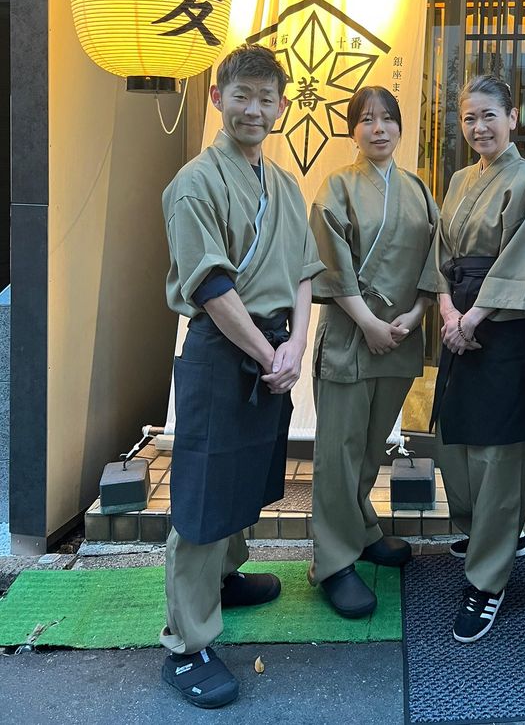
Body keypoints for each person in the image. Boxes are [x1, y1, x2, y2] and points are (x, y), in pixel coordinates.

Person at [160, 44, 324, 709]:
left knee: (246, 474)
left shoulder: (282, 182)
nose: (254, 109)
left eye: (266, 98)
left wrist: (297, 346)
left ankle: (225, 579)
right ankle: (185, 642)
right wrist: (268, 352)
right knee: (203, 490)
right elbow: (210, 286)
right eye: (241, 95)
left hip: (272, 347)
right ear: (217, 98)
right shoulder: (194, 183)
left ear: (281, 106)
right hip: (223, 348)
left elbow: (306, 272)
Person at [420, 73, 525, 643]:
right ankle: (484, 531)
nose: (479, 127)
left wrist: (473, 318)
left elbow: (522, 258)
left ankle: (487, 580)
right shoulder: (457, 180)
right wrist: (448, 311)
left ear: (513, 117)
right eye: (470, 118)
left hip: (501, 326)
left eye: (489, 116)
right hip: (460, 318)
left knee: (496, 453)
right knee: (455, 440)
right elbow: (440, 255)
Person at [308, 85, 438, 617]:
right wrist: (367, 322)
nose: (378, 128)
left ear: (400, 126)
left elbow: (435, 258)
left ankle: (360, 531)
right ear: (352, 131)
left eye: (387, 118)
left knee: (369, 447)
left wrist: (419, 311)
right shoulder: (336, 187)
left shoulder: (417, 189)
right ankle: (332, 562)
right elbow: (330, 263)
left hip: (399, 337)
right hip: (350, 336)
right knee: (337, 452)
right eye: (366, 119)